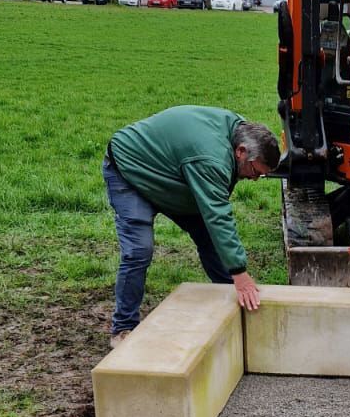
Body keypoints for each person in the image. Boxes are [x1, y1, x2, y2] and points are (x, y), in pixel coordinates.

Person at [103, 106, 280, 348]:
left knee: (212, 242)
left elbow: (215, 216)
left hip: (173, 176)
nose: (255, 179)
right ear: (241, 151)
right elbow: (217, 214)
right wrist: (240, 271)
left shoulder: (240, 133)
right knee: (139, 250)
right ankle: (123, 328)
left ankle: (238, 305)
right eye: (255, 171)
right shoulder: (211, 159)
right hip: (131, 171)